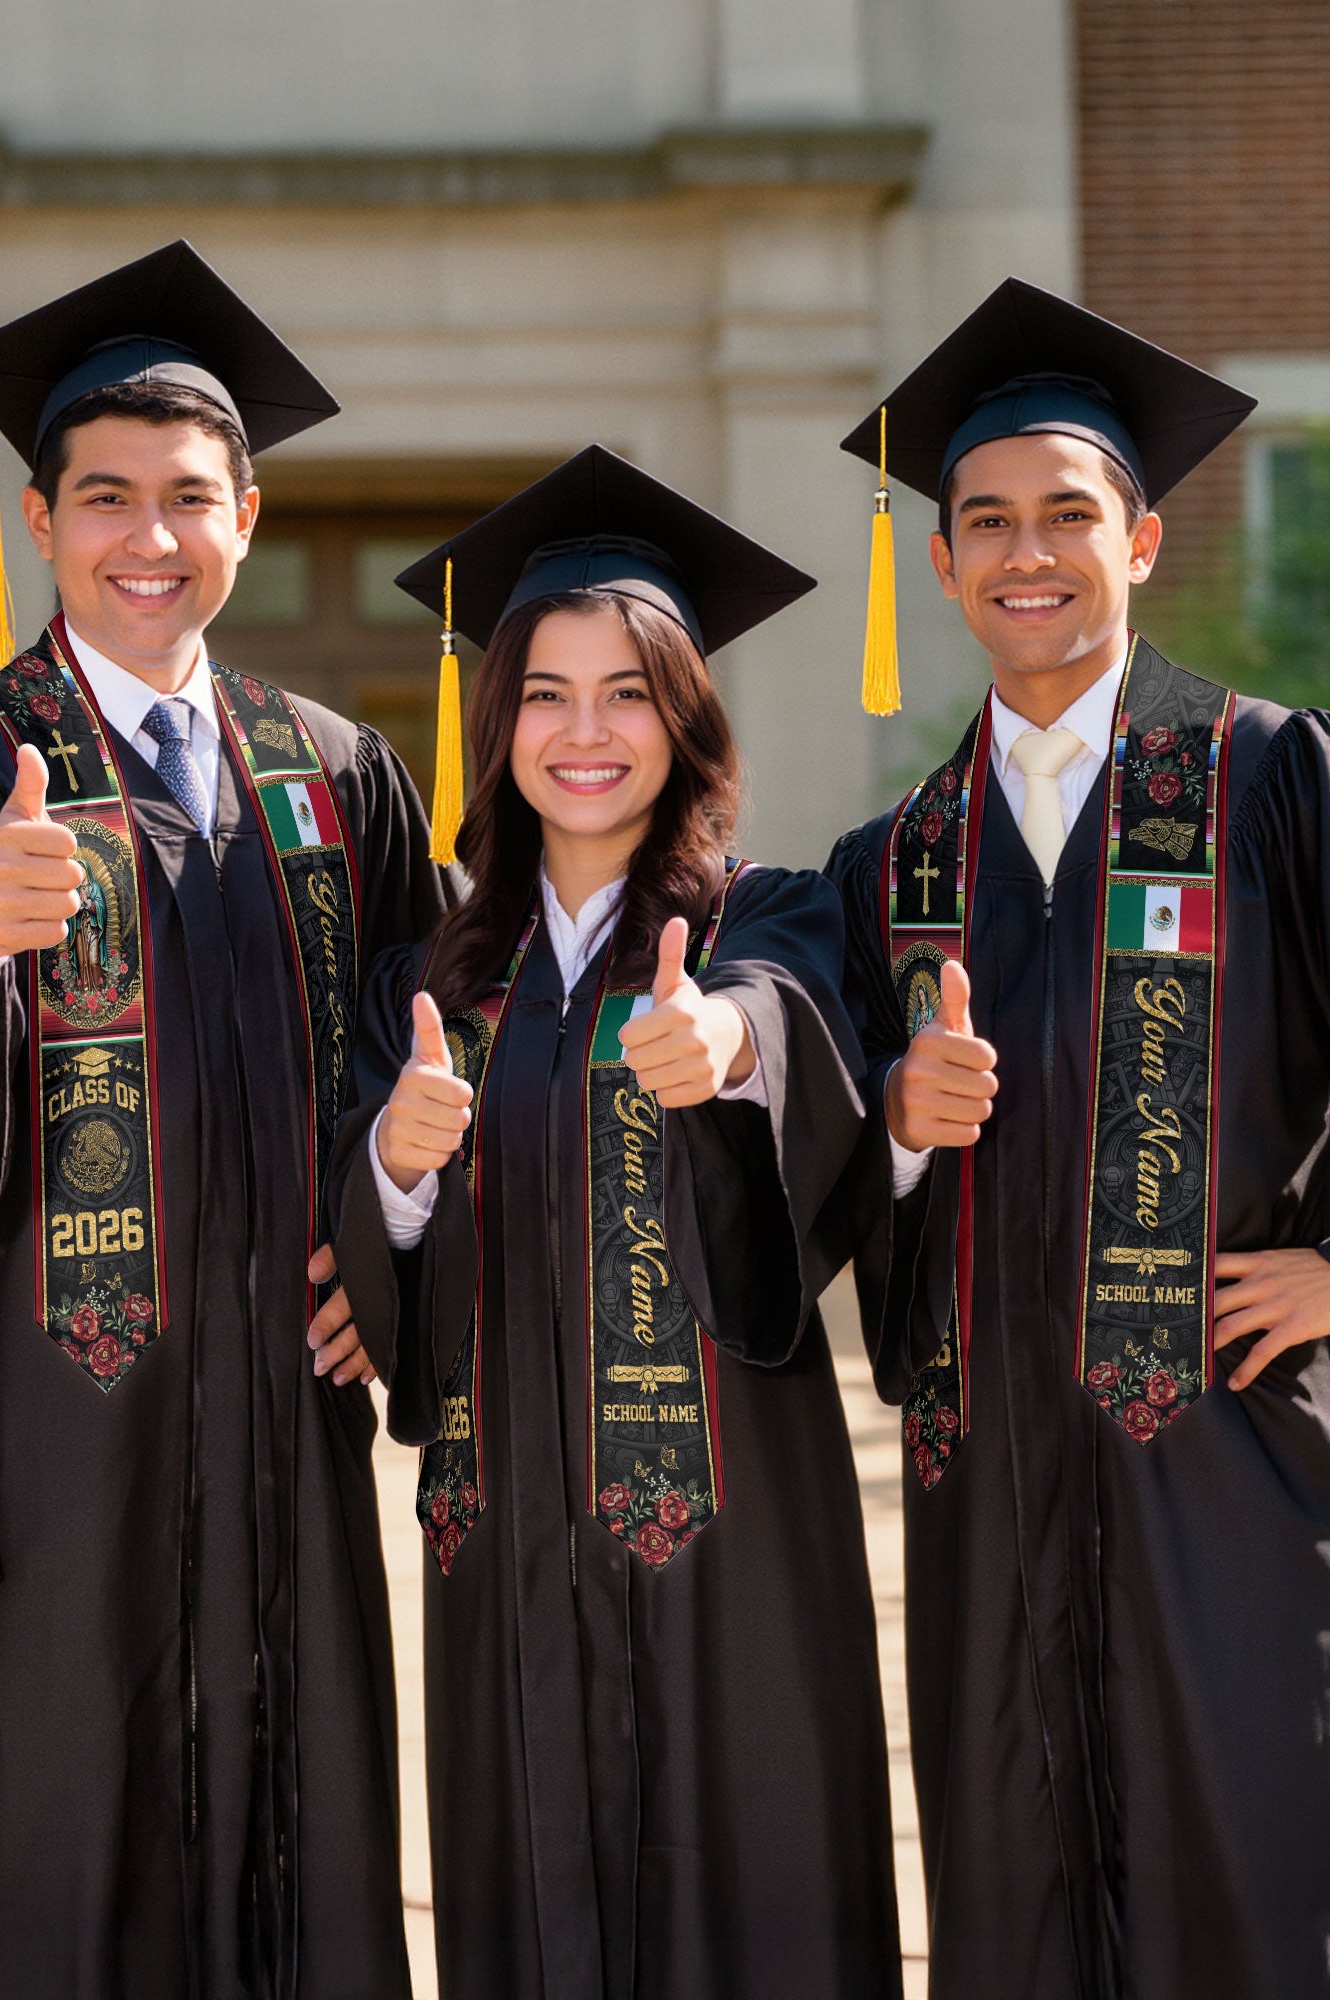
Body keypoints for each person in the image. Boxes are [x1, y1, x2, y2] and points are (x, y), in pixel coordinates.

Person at [0, 241, 451, 1998]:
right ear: (40, 521)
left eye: (188, 497)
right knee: (66, 1848)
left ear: (247, 515)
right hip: (60, 1428)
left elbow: (437, 1038)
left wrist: (390, 1254)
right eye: (105, 498)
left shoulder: (336, 770)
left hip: (288, 1419)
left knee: (305, 1831)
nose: (148, 537)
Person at [331, 447, 901, 1999]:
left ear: (687, 717)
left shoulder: (768, 916)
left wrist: (727, 1047)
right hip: (505, 1543)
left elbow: (789, 1026)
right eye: (546, 694)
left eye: (629, 693)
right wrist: (395, 1165)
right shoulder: (433, 981)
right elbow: (382, 1280)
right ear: (496, 723)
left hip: (734, 1545)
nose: (585, 733)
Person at [827, 279, 1330, 1999]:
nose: (1025, 553)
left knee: (1251, 1889)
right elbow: (820, 1178)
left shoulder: (1269, 782)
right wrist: (896, 1129)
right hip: (989, 1494)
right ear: (942, 561)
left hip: (1232, 1463)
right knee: (1014, 1903)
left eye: (1067, 515)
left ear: (1144, 541)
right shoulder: (893, 863)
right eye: (986, 522)